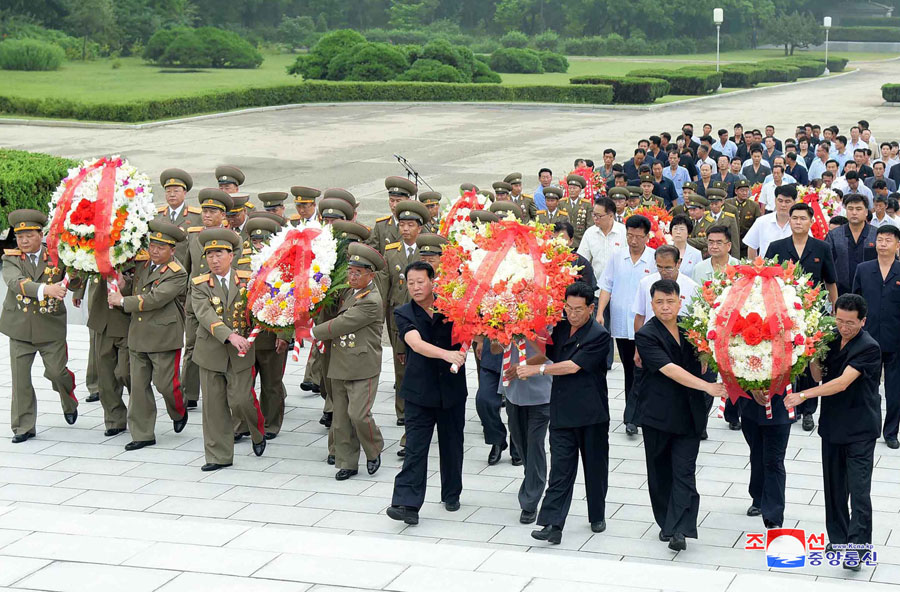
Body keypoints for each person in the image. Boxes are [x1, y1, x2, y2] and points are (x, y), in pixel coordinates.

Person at [783, 294, 881, 571]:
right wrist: (812, 352)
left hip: (860, 428)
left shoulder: (869, 347)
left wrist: (803, 395)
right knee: (834, 489)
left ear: (863, 321)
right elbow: (818, 375)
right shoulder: (830, 339)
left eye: (850, 322)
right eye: (839, 320)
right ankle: (838, 539)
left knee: (859, 491)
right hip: (833, 425)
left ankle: (858, 548)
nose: (844, 327)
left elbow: (841, 383)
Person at [635, 279, 726, 551]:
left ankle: (680, 529)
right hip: (658, 415)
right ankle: (666, 521)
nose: (665, 307)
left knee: (684, 472)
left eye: (670, 301)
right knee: (660, 472)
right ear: (652, 305)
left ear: (679, 301)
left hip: (690, 413)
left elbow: (713, 351)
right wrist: (707, 386)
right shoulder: (646, 335)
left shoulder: (691, 328)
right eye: (659, 302)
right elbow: (669, 369)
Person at [517, 281, 612, 544]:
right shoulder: (560, 328)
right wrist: (518, 331)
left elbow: (571, 366)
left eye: (578, 309)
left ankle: (597, 514)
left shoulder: (599, 335)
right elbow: (544, 352)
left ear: (591, 308)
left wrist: (538, 371)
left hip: (591, 413)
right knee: (560, 470)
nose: (572, 314)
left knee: (595, 467)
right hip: (562, 411)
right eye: (568, 308)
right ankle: (552, 524)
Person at [387, 261, 468, 525]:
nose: (416, 287)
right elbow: (416, 344)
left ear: (433, 281)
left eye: (421, 282)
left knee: (452, 444)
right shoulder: (404, 312)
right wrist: (448, 355)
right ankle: (406, 504)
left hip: (451, 390)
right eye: (411, 283)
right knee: (415, 448)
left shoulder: (451, 307)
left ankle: (451, 493)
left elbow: (472, 331)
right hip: (419, 392)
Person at [190, 228, 265, 471]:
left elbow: (261, 306)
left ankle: (257, 431)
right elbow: (205, 314)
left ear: (231, 256)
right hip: (211, 352)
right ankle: (218, 456)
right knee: (214, 407)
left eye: (219, 254)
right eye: (209, 255)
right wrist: (230, 335)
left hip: (241, 354)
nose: (214, 260)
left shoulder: (248, 280)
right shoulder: (200, 284)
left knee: (242, 400)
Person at [109, 220, 188, 450]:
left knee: (166, 385)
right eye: (152, 245)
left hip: (164, 335)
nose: (154, 251)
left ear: (172, 250)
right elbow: (137, 287)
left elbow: (155, 298)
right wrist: (123, 284)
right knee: (139, 385)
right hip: (139, 333)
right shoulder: (143, 264)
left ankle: (178, 409)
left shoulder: (177, 273)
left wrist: (123, 301)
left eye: (161, 247)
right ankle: (142, 433)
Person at [312, 242, 386, 480]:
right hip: (340, 362)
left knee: (359, 414)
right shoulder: (348, 292)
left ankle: (374, 448)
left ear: (370, 275)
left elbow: (343, 323)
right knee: (341, 417)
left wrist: (312, 332)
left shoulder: (371, 300)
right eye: (350, 271)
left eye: (358, 273)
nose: (352, 277)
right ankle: (347, 462)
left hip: (362, 365)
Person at [2, 209, 78, 442]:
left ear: (41, 235)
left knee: (57, 373)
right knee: (20, 380)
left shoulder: (58, 255)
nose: (23, 241)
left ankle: (68, 399)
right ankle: (23, 427)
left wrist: (77, 271)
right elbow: (15, 282)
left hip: (50, 326)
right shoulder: (11, 258)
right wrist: (46, 289)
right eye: (20, 236)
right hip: (20, 327)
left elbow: (75, 281)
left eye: (29, 236)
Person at [597, 215, 656, 436]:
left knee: (642, 368)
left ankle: (633, 417)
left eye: (638, 237)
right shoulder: (617, 256)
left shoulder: (653, 258)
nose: (633, 241)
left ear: (647, 237)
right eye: (630, 235)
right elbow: (606, 285)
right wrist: (600, 313)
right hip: (622, 323)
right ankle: (633, 414)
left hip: (645, 324)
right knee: (630, 369)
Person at [380, 200, 431, 432]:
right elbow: (385, 286)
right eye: (402, 225)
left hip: (423, 316)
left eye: (410, 225)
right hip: (398, 317)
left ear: (420, 228)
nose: (405, 229)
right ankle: (402, 410)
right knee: (401, 364)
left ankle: (424, 405)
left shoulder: (427, 251)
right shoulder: (392, 252)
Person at [181, 188, 234, 409]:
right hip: (195, 299)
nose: (207, 215)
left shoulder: (231, 239)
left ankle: (225, 389)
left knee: (221, 344)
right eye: (204, 211)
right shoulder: (194, 235)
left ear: (223, 215)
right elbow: (188, 267)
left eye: (212, 211)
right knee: (192, 345)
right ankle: (189, 392)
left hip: (222, 300)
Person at [852, 224, 900, 449]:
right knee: (865, 387)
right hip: (867, 339)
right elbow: (855, 302)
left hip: (895, 339)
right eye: (880, 240)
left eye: (888, 240)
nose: (883, 244)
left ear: (897, 245)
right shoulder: (863, 269)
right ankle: (865, 429)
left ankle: (891, 432)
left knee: (894, 390)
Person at [691, 225, 742, 430]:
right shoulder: (699, 268)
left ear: (728, 245)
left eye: (719, 242)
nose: (714, 246)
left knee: (735, 373)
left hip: (734, 328)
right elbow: (695, 299)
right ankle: (701, 422)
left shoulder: (739, 267)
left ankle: (733, 415)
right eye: (710, 242)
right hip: (708, 327)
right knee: (707, 375)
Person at [825, 194, 877, 296]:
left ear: (866, 212)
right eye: (850, 209)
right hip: (841, 292)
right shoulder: (834, 235)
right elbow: (827, 264)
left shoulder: (876, 235)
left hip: (871, 291)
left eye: (858, 209)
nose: (854, 212)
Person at [155, 168, 201, 264]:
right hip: (163, 267)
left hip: (184, 266)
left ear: (184, 193)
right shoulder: (157, 216)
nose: (172, 195)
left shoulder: (196, 217)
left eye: (176, 191)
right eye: (168, 191)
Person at [743, 185, 795, 259]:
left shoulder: (799, 223)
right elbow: (752, 246)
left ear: (794, 202)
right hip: (766, 265)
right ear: (775, 201)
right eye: (780, 201)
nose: (783, 205)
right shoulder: (761, 222)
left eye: (787, 201)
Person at [369, 176, 416, 254]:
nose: (394, 205)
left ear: (408, 201)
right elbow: (373, 253)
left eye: (398, 201)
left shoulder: (416, 226)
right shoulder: (381, 226)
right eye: (392, 200)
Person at [555, 222, 596, 294]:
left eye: (561, 240)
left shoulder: (581, 263)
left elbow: (588, 292)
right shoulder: (542, 260)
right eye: (553, 239)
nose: (557, 244)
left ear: (571, 241)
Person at [670, 215, 702, 279]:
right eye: (675, 229)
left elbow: (699, 275)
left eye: (682, 229)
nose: (678, 232)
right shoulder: (664, 251)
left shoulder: (696, 254)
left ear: (688, 232)